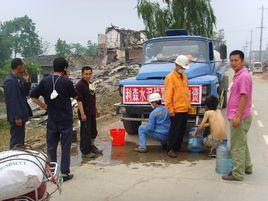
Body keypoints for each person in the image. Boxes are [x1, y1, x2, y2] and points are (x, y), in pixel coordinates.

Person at [30, 57, 77, 182]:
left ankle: (52, 173)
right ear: (65, 68)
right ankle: (65, 173)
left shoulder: (45, 81)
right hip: (65, 119)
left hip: (52, 118)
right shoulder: (66, 82)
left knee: (51, 147)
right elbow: (75, 95)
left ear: (53, 67)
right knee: (65, 146)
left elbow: (33, 96)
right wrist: (67, 78)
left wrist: (45, 106)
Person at [222, 50, 253, 181]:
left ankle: (238, 174)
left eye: (236, 60)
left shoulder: (244, 76)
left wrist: (238, 116)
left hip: (239, 117)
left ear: (242, 60)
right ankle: (247, 167)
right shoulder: (238, 74)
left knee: (237, 146)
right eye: (232, 60)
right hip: (239, 115)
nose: (233, 63)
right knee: (242, 143)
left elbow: (244, 97)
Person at [165, 55, 191, 158]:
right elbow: (168, 95)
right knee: (174, 130)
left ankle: (177, 147)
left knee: (182, 129)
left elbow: (185, 93)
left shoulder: (184, 77)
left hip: (184, 108)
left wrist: (188, 106)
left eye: (184, 68)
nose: (183, 69)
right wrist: (170, 109)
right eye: (182, 67)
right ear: (177, 65)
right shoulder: (170, 77)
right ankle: (170, 148)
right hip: (176, 109)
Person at [4, 58, 32, 149]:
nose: (25, 67)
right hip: (17, 117)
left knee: (20, 140)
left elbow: (24, 93)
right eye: (23, 65)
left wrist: (26, 81)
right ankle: (13, 158)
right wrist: (17, 117)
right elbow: (12, 101)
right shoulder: (10, 81)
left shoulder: (17, 79)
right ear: (19, 66)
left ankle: (19, 157)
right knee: (16, 141)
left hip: (20, 116)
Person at [75, 66, 102, 158]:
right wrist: (82, 113)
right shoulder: (79, 85)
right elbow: (79, 100)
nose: (88, 76)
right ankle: (85, 151)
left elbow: (93, 99)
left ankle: (92, 146)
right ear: (82, 74)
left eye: (89, 74)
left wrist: (96, 109)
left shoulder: (90, 84)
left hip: (92, 112)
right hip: (84, 113)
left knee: (93, 131)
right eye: (86, 74)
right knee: (85, 133)